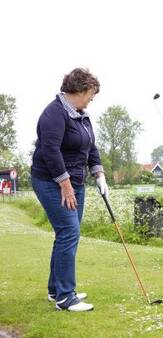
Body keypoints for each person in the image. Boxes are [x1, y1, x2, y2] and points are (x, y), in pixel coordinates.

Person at [31, 68, 108, 312]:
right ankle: (66, 297)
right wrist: (64, 185)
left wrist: (99, 174)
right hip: (51, 181)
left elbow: (90, 148)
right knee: (68, 232)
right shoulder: (53, 114)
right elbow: (50, 152)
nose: (91, 99)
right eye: (91, 94)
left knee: (66, 234)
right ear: (79, 90)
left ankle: (56, 290)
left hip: (76, 181)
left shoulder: (81, 115)